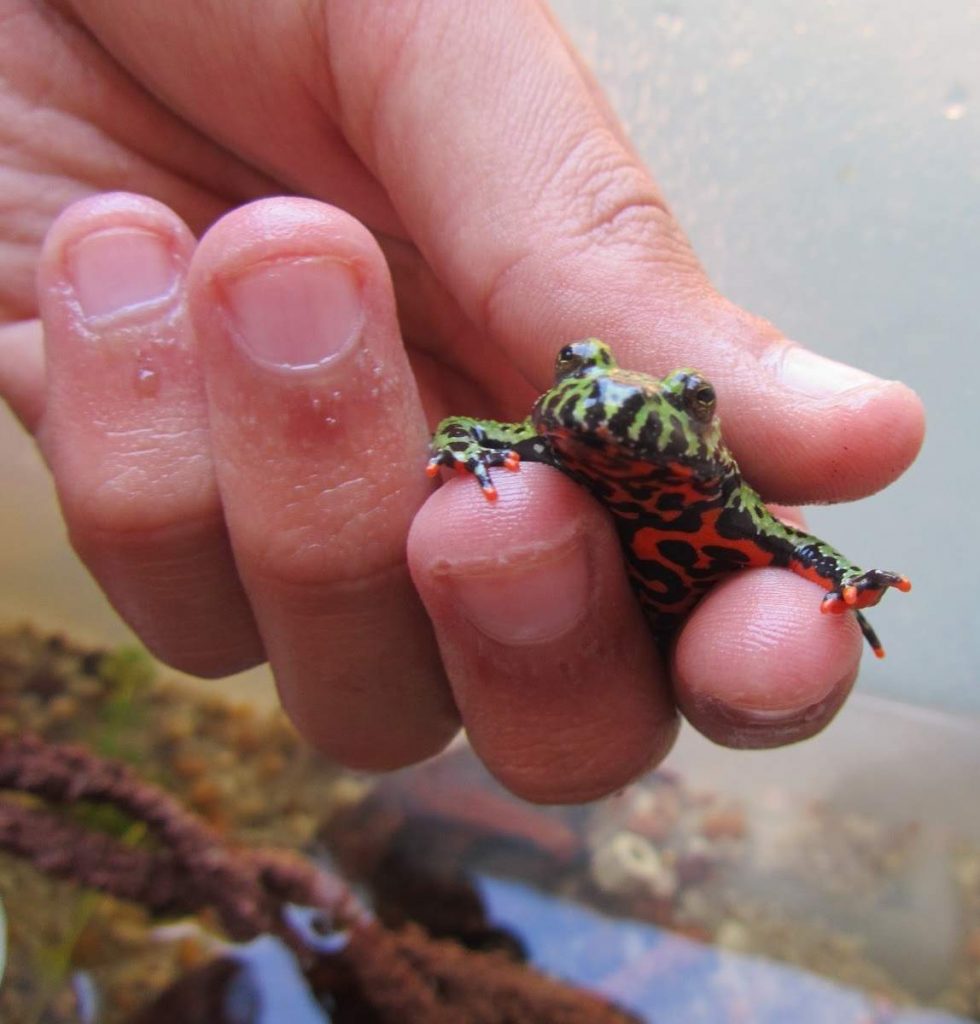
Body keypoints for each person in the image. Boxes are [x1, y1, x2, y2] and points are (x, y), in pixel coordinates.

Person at [0, 2, 923, 803]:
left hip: (664, 623)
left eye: (686, 395)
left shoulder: (722, 500)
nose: (607, 394)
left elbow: (789, 542)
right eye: (578, 367)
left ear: (704, 428)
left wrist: (845, 581)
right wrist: (461, 453)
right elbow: (460, 431)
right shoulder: (542, 454)